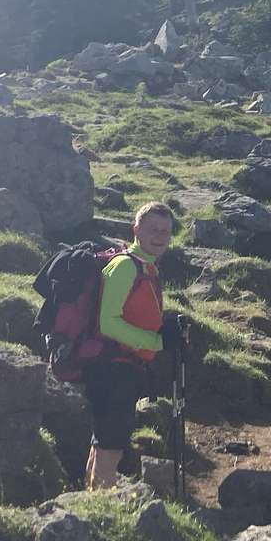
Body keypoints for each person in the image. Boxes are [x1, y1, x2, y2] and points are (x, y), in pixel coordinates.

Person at [82, 201, 178, 488]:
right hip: (111, 367)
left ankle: (90, 499)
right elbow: (108, 323)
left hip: (121, 365)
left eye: (165, 231)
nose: (159, 236)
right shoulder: (126, 266)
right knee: (111, 446)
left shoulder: (146, 267)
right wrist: (156, 342)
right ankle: (104, 505)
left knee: (103, 441)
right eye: (153, 229)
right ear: (136, 229)